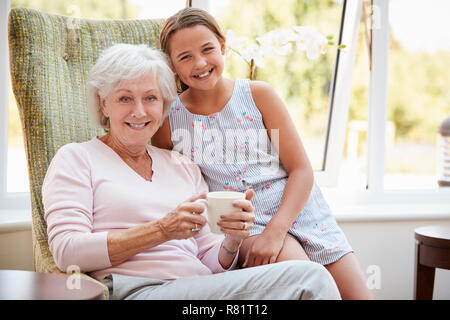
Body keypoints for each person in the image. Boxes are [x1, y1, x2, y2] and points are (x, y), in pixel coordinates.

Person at [42, 43, 341, 300]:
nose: (139, 111)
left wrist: (232, 239)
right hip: (141, 289)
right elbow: (68, 252)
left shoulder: (181, 165)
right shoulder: (77, 159)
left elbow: (212, 260)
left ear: (164, 106)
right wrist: (161, 230)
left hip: (202, 288)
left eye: (150, 98)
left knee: (305, 277)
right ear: (103, 103)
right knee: (310, 279)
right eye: (124, 98)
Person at [152, 7, 373, 300]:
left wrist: (277, 230)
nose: (200, 62)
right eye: (185, 57)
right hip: (246, 223)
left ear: (223, 46)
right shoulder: (169, 120)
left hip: (301, 212)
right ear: (172, 65)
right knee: (307, 284)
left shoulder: (258, 95)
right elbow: (164, 184)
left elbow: (302, 171)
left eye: (208, 49)